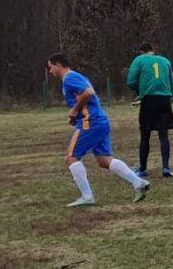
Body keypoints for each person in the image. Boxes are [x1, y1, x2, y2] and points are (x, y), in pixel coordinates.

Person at [47, 53, 150, 207]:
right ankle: (138, 182)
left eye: (50, 67)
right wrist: (76, 113)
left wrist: (75, 110)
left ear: (58, 65)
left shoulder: (69, 78)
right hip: (100, 120)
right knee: (104, 160)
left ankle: (87, 196)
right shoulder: (74, 77)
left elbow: (88, 93)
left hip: (91, 122)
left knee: (71, 157)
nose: (50, 72)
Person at [126, 42, 173, 178]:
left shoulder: (140, 60)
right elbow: (172, 83)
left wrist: (140, 92)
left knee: (145, 135)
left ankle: (142, 168)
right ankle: (166, 167)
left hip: (148, 99)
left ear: (141, 52)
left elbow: (130, 81)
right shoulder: (165, 60)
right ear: (153, 51)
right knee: (164, 135)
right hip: (164, 99)